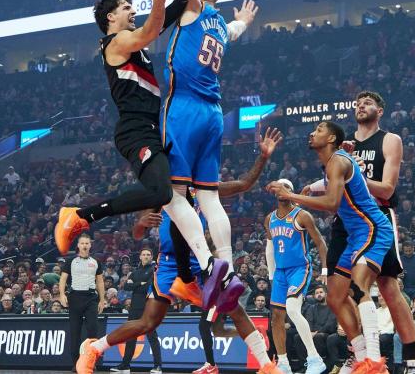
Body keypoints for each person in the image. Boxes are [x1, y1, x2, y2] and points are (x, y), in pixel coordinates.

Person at [54, 0, 229, 309]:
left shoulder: (133, 41)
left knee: (177, 197)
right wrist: (164, 1)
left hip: (156, 127)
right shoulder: (114, 44)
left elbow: (158, 27)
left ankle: (184, 277)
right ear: (110, 17)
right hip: (136, 131)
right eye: (126, 7)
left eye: (134, 6)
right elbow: (152, 29)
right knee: (164, 191)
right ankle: (80, 216)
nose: (132, 11)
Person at [75, 128, 284, 374]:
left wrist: (263, 156)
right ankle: (94, 348)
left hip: (198, 261)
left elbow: (245, 183)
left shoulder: (203, 188)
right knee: (148, 322)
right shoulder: (162, 190)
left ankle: (266, 366)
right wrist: (142, 223)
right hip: (169, 264)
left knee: (234, 308)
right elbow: (137, 233)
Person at [151, 0, 258, 309]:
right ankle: (228, 267)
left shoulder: (194, 5)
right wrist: (246, 22)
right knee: (209, 197)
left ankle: (208, 264)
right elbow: (235, 28)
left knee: (170, 194)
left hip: (186, 110)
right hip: (215, 113)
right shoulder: (221, 26)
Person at [270, 121, 395, 374]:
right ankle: (359, 356)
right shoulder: (331, 165)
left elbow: (331, 202)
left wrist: (291, 195)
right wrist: (310, 188)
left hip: (372, 228)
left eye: (318, 130)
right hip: (354, 235)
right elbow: (332, 187)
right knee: (335, 297)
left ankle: (373, 360)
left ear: (331, 139)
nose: (312, 133)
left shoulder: (338, 160)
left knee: (360, 284)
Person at [341, 91, 415, 374]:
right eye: (358, 104)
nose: (361, 106)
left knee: (388, 287)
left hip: (377, 216)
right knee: (345, 290)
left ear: (380, 110)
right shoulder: (343, 144)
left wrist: (352, 172)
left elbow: (387, 188)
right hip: (349, 221)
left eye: (367, 103)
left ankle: (412, 361)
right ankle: (360, 353)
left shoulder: (389, 140)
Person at [264, 178, 328, 374]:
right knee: (276, 317)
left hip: (300, 268)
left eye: (287, 189)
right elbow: (270, 248)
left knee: (292, 309)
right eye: (280, 188)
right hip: (281, 272)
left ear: (291, 192)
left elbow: (320, 243)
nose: (282, 191)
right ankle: (283, 363)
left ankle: (314, 358)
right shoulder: (269, 219)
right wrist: (271, 274)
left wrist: (325, 270)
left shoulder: (302, 215)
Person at [113, 248, 162, 374]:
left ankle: (158, 366)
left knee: (152, 337)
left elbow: (149, 286)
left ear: (151, 257)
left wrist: (136, 284)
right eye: (143, 254)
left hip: (148, 308)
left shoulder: (153, 271)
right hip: (134, 308)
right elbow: (127, 286)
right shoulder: (135, 271)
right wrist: (140, 283)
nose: (146, 256)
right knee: (130, 337)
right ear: (140, 256)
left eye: (148, 255)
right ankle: (125, 365)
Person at [59, 234, 106, 365]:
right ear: (78, 245)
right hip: (74, 297)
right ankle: (76, 363)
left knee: (93, 330)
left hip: (91, 298)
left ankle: (91, 362)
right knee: (75, 331)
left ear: (90, 245)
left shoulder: (96, 261)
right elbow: (62, 279)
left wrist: (102, 300)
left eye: (87, 243)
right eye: (82, 243)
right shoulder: (70, 261)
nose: (85, 245)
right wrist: (62, 295)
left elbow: (100, 282)